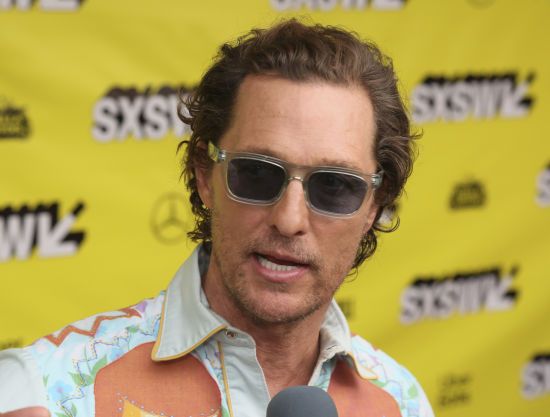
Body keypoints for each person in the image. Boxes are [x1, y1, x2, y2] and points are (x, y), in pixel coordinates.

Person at [0, 19, 433, 417]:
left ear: (374, 207)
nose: (289, 219)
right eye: (257, 174)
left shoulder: (403, 402)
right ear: (205, 175)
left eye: (334, 186)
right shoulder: (40, 390)